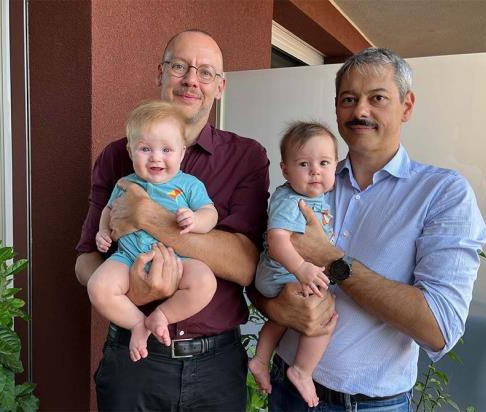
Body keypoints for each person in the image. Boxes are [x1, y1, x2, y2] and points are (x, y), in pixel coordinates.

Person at [250, 47, 486, 411]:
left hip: (373, 405)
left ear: (406, 106)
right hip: (287, 391)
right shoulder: (310, 183)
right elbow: (264, 273)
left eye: (377, 98)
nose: (360, 110)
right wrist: (276, 306)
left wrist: (331, 259)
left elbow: (438, 328)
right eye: (349, 99)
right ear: (336, 108)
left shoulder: (442, 193)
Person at [75, 29, 274, 411]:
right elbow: (86, 262)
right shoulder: (118, 156)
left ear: (220, 86)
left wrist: (151, 217)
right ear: (160, 74)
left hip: (216, 366)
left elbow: (247, 265)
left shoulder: (246, 157)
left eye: (205, 72)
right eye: (179, 66)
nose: (191, 80)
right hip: (135, 360)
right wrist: (137, 292)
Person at [87, 100, 219, 362]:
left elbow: (210, 213)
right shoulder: (125, 183)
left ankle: (163, 315)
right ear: (130, 150)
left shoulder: (189, 185)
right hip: (128, 257)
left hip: (177, 257)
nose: (156, 157)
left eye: (167, 149)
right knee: (98, 286)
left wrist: (195, 219)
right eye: (145, 149)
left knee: (205, 281)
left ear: (182, 152)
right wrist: (103, 231)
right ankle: (138, 323)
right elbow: (108, 211)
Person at [249, 122, 339, 407]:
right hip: (282, 272)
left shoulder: (316, 198)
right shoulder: (292, 200)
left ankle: (261, 360)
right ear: (285, 169)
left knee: (282, 319)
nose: (315, 171)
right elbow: (277, 241)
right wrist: (301, 269)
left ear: (336, 165)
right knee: (324, 315)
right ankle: (302, 370)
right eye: (304, 164)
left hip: (284, 273)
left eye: (324, 163)